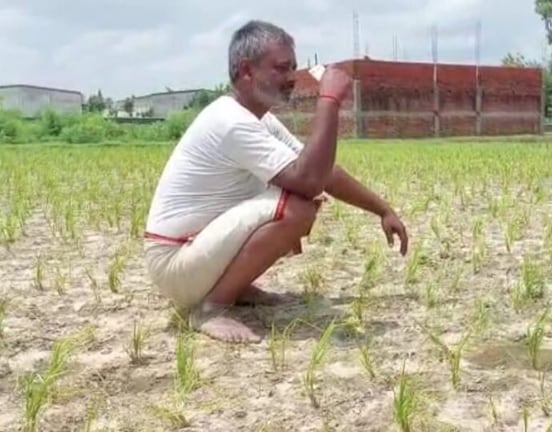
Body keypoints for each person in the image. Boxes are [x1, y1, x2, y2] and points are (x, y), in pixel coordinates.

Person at [142, 20, 409, 344]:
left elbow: (324, 173)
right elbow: (309, 181)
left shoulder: (258, 119)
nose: (291, 78)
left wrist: (383, 209)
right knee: (296, 206)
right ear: (246, 71)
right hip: (175, 264)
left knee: (293, 197)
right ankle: (210, 308)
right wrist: (329, 101)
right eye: (281, 68)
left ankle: (234, 288)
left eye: (293, 68)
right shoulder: (231, 122)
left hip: (194, 253)